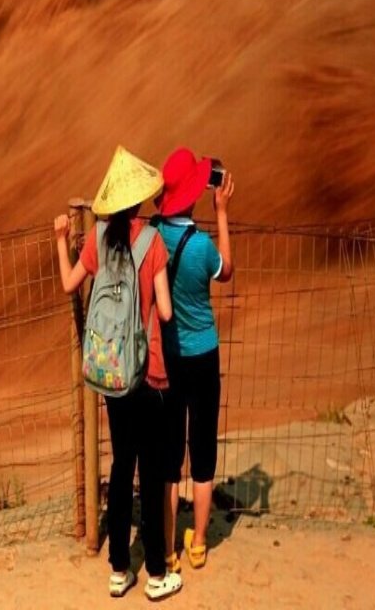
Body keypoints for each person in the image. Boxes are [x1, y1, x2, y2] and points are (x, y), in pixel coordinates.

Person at [54, 145, 183, 601]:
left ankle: (118, 569)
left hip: (110, 370)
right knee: (152, 471)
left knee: (122, 463)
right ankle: (157, 575)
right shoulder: (153, 242)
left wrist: (60, 240)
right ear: (140, 199)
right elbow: (165, 312)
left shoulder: (97, 238)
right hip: (147, 372)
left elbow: (70, 284)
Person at [152, 147, 234, 573]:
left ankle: (168, 549)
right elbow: (227, 270)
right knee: (202, 448)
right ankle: (199, 543)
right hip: (204, 355)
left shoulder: (153, 236)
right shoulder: (202, 247)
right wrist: (221, 212)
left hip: (169, 357)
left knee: (170, 455)